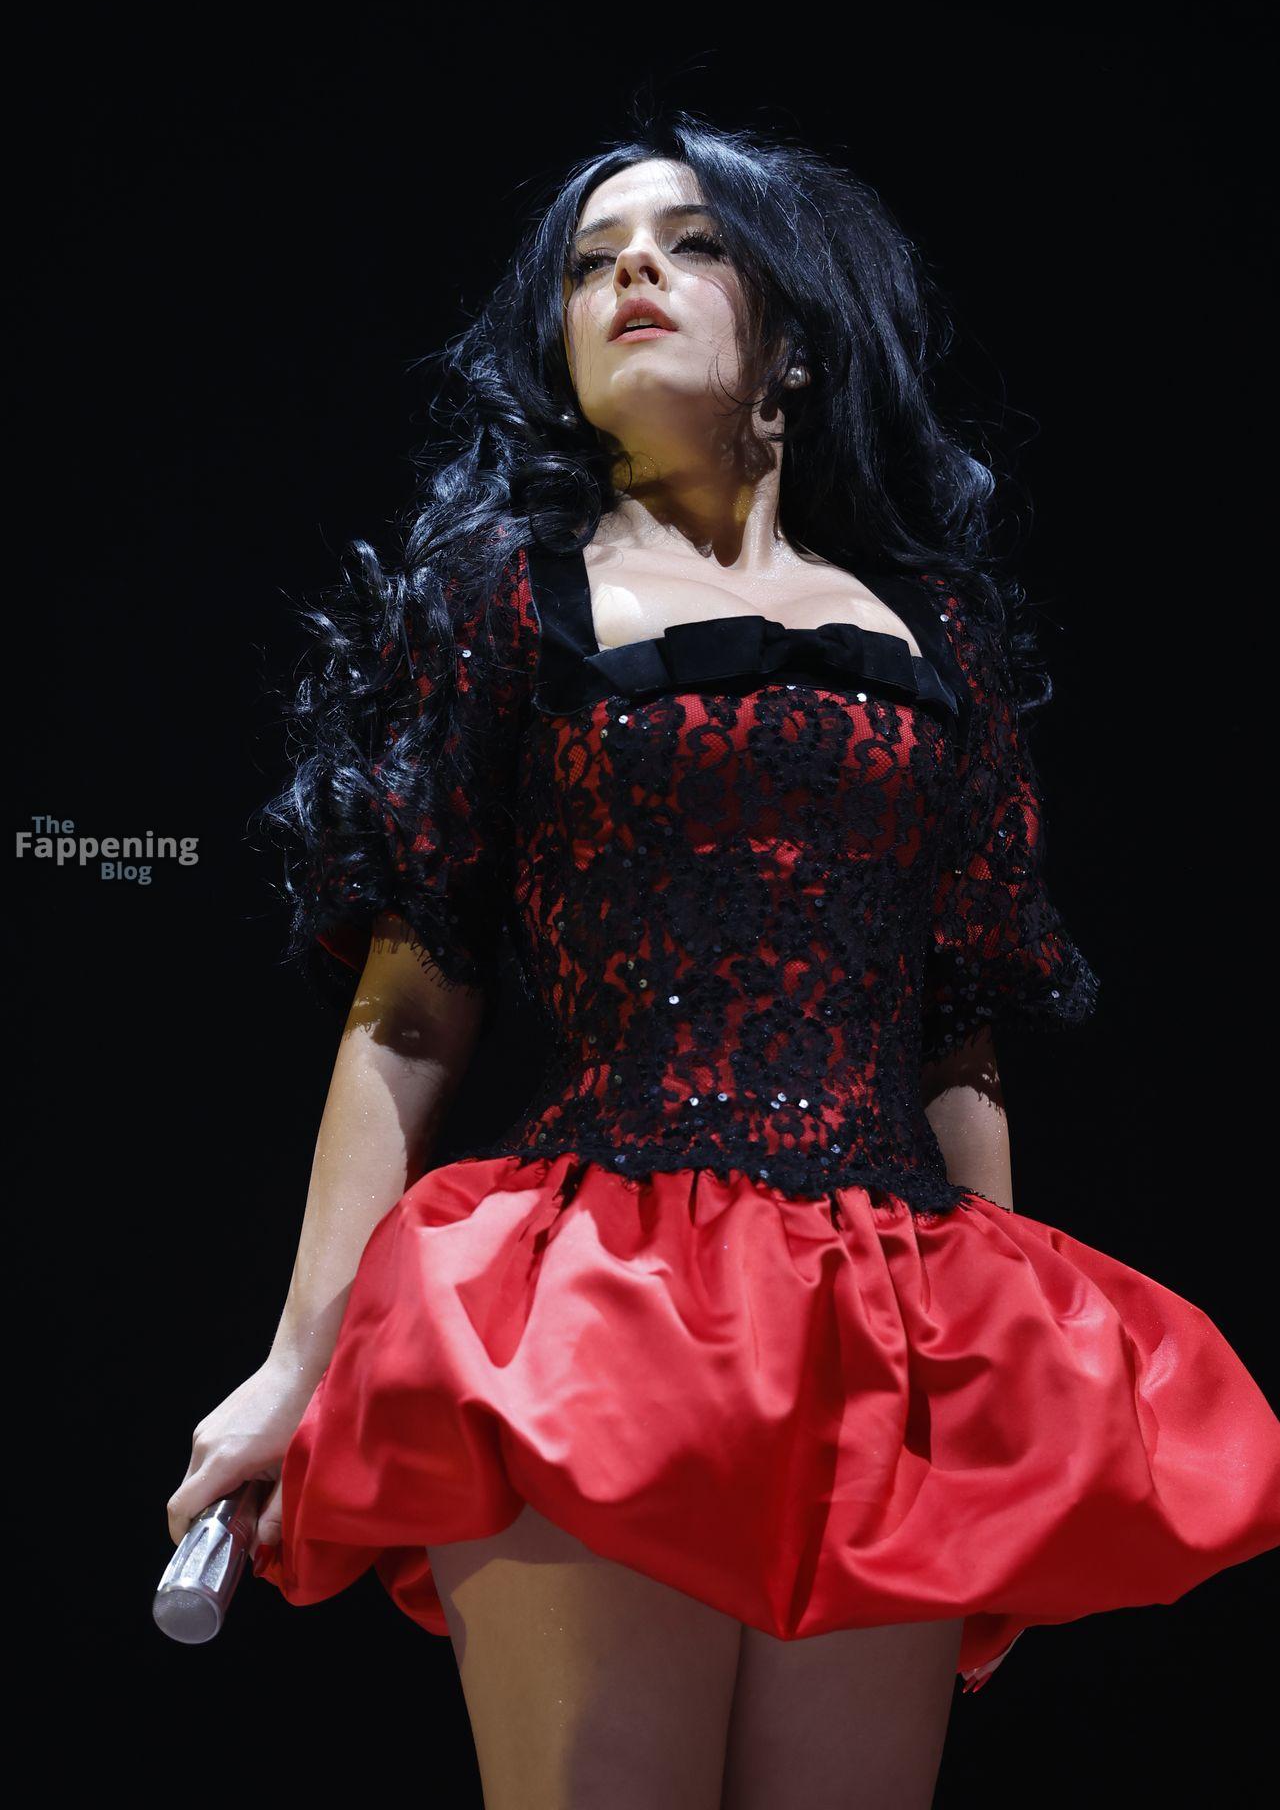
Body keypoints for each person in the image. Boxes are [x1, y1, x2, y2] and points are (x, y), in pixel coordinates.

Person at [168, 111, 1280, 1810]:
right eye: (591, 261)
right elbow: (408, 1010)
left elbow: (959, 1028)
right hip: (595, 1312)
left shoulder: (933, 631)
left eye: (690, 244)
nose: (632, 270)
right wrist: (293, 1364)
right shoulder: (503, 598)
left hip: (882, 1319)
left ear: (798, 341)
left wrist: (1003, 1407)